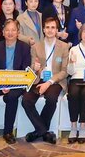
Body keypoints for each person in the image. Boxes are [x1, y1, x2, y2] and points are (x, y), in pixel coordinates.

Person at [0, 19, 32, 144]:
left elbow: (25, 69)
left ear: (18, 32)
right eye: (7, 30)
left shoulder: (24, 47)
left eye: (13, 30)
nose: (10, 33)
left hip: (17, 81)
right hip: (0, 80)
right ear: (3, 32)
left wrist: (10, 83)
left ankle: (8, 131)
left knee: (11, 97)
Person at [23, 16, 70, 144]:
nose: (50, 30)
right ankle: (43, 131)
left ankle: (37, 132)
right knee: (26, 100)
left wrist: (49, 82)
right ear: (43, 29)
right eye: (47, 27)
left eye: (53, 28)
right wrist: (34, 68)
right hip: (38, 79)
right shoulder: (36, 47)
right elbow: (31, 68)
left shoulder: (64, 47)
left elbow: (64, 71)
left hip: (55, 81)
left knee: (51, 99)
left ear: (57, 30)